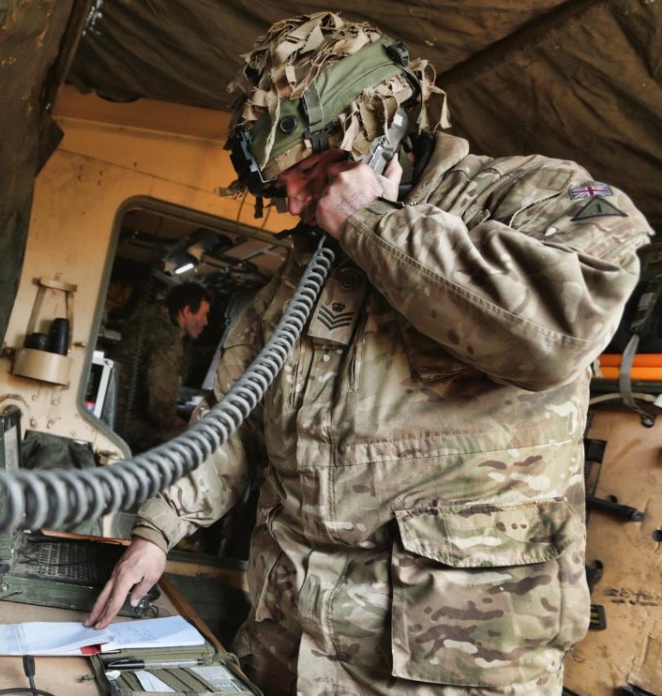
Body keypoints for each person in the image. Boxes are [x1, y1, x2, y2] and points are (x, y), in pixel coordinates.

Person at [87, 12, 653, 696]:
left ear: (384, 131)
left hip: (445, 666)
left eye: (315, 168)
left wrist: (371, 224)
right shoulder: (303, 276)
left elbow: (557, 331)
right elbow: (233, 423)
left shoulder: (525, 197)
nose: (295, 200)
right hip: (290, 647)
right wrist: (158, 530)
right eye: (281, 182)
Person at [112, 282, 211, 453]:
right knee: (198, 441)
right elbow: (160, 403)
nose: (205, 322)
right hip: (129, 424)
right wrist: (175, 422)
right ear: (187, 312)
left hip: (114, 414)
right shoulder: (167, 341)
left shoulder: (146, 321)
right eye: (203, 315)